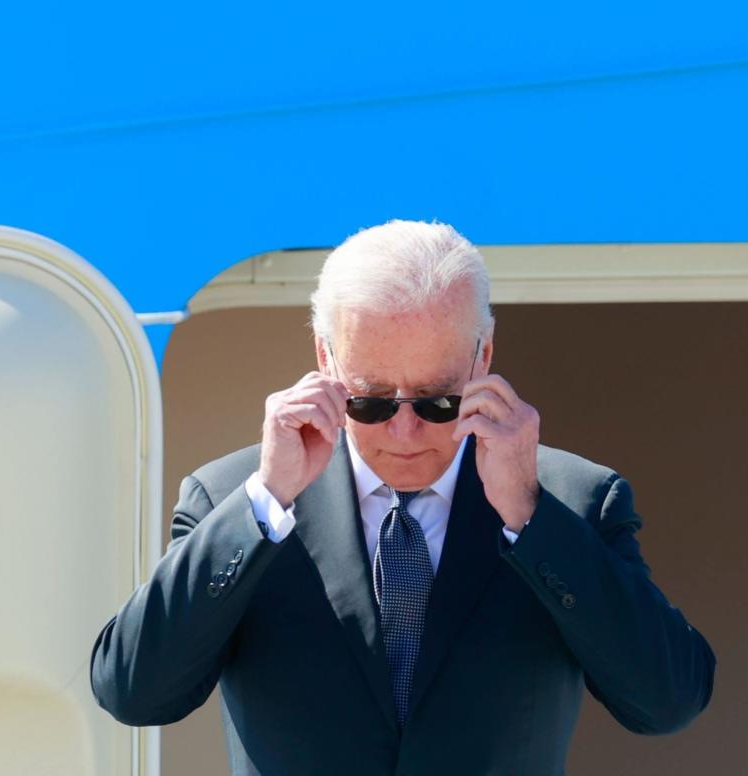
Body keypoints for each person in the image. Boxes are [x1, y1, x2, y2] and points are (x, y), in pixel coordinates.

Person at [88, 220, 715, 775]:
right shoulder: (233, 498)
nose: (404, 431)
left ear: (484, 357)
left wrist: (529, 513)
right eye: (372, 399)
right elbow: (134, 692)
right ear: (324, 358)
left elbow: (667, 701)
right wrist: (267, 501)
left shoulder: (572, 500)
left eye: (438, 400)